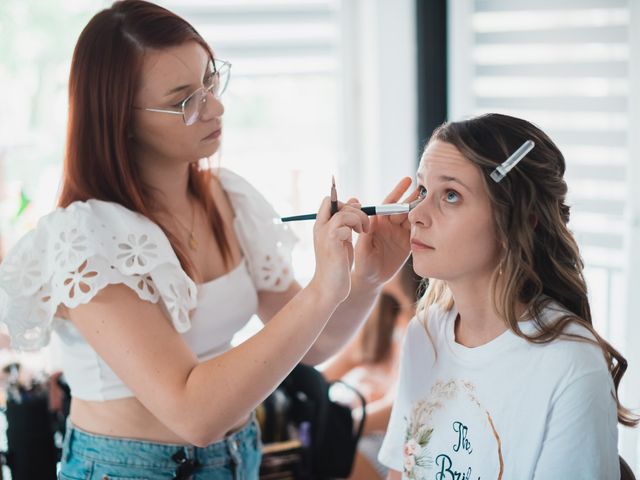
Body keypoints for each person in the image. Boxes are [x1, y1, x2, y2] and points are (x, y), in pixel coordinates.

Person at [0, 1, 415, 478]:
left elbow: (311, 347)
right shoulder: (84, 238)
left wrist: (364, 280)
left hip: (238, 458)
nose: (214, 106)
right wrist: (323, 288)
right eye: (184, 100)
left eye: (210, 80)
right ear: (120, 118)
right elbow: (194, 413)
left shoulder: (227, 198)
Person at [379, 113, 638, 479]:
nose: (416, 214)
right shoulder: (425, 334)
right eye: (423, 191)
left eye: (450, 195)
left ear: (517, 219)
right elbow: (401, 472)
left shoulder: (569, 364)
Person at [322, 259, 421, 479]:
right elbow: (324, 376)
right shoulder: (380, 320)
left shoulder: (423, 326)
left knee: (328, 454)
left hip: (383, 442)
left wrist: (344, 424)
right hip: (355, 431)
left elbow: (397, 409)